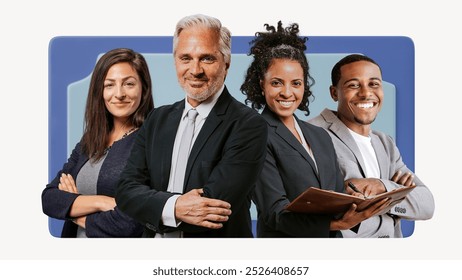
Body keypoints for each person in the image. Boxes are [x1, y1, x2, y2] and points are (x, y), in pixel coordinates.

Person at [115, 14, 267, 238]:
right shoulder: (157, 119)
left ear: (226, 63)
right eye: (185, 58)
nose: (195, 70)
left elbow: (213, 210)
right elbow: (126, 192)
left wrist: (153, 207)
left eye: (207, 59)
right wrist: (176, 208)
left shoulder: (248, 125)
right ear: (175, 60)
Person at [240, 21, 390, 237]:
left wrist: (365, 199)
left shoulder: (318, 135)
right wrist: (337, 224)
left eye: (296, 83)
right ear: (261, 84)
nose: (287, 92)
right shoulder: (254, 135)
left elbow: (337, 198)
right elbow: (274, 212)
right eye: (276, 83)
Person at [308, 54, 435, 237]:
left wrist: (381, 186)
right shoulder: (312, 133)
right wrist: (396, 190)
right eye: (353, 85)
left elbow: (426, 204)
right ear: (334, 92)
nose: (366, 93)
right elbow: (317, 207)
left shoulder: (385, 143)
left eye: (374, 84)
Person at [42, 48, 154, 237]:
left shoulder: (152, 140)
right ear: (99, 91)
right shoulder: (89, 140)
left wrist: (75, 211)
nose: (119, 94)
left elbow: (132, 222)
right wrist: (102, 202)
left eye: (128, 84)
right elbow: (50, 199)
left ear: (143, 89)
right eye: (109, 85)